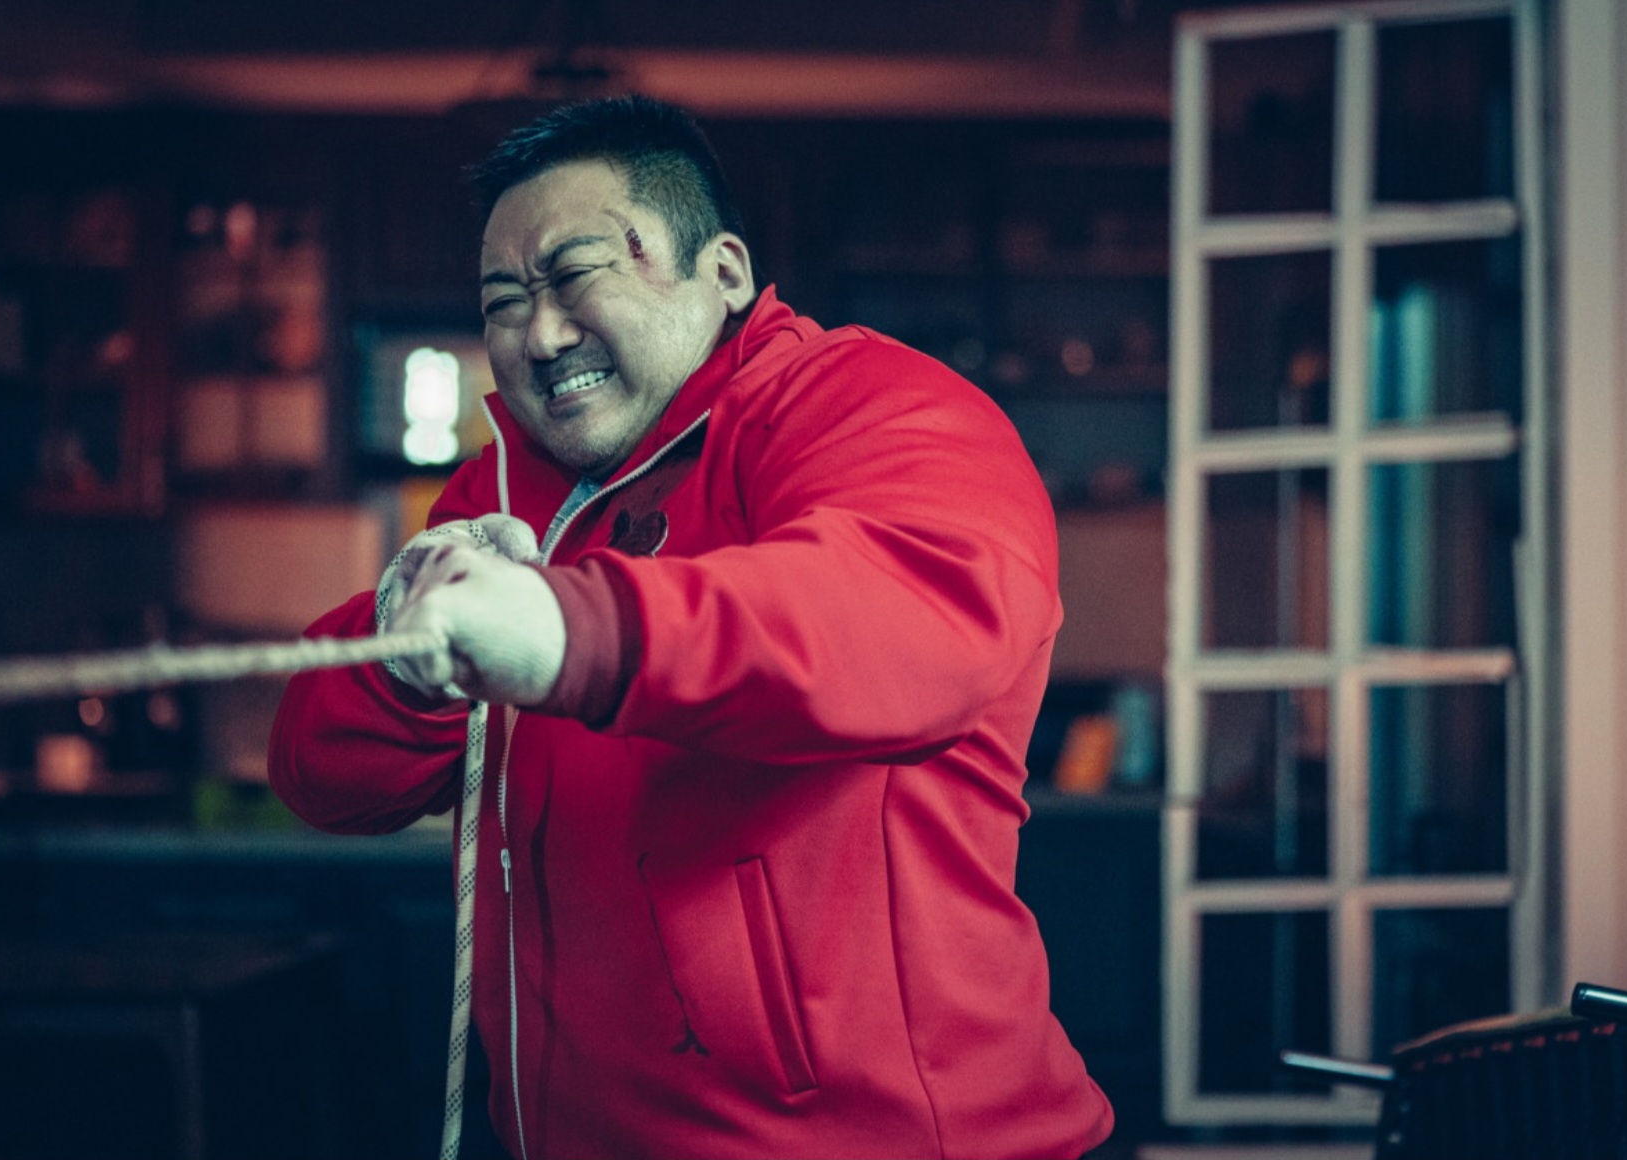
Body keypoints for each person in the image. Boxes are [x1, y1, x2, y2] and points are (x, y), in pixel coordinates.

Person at [268, 94, 1113, 1160]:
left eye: (576, 274)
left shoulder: (873, 403)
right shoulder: (500, 500)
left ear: (723, 270)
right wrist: (401, 662)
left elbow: (913, 616)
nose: (540, 333)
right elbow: (322, 777)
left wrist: (574, 632)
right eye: (503, 301)